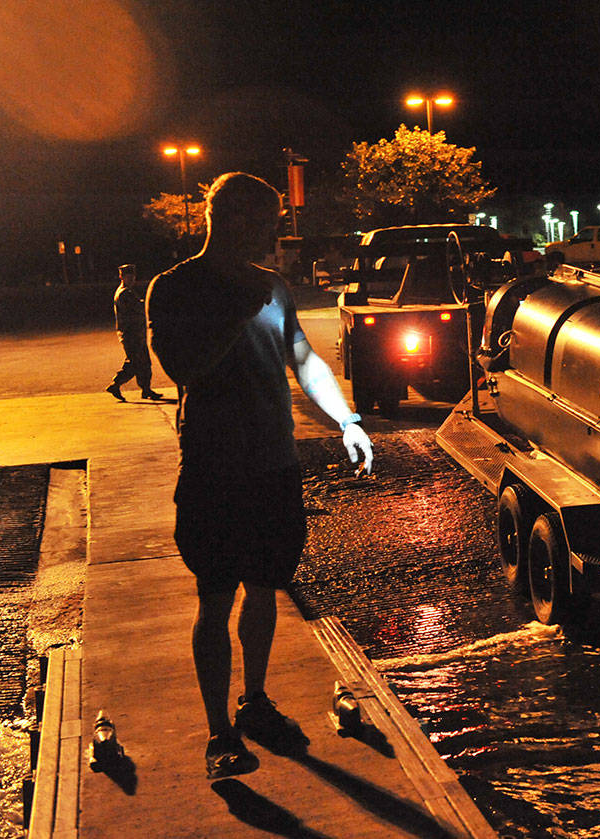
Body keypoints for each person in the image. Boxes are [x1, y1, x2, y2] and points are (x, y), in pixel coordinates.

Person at [147, 172, 374, 779]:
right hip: (215, 469)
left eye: (270, 220)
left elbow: (300, 356)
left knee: (266, 588)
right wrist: (234, 316)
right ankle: (218, 734)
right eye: (255, 218)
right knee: (215, 597)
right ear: (219, 215)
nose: (267, 232)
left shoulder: (273, 287)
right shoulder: (175, 287)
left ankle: (255, 699)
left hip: (275, 465)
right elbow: (181, 369)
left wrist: (346, 418)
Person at [105, 264, 163, 401]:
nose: (131, 279)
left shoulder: (126, 291)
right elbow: (140, 308)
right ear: (122, 277)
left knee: (144, 363)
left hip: (136, 333)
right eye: (128, 277)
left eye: (132, 277)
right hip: (131, 334)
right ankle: (116, 384)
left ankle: (146, 390)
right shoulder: (125, 293)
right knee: (135, 363)